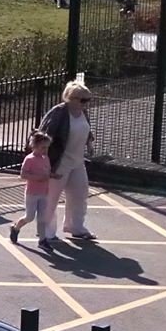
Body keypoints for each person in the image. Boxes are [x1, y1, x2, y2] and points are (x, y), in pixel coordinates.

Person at [38, 81, 97, 243]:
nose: (86, 104)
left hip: (77, 161)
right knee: (51, 197)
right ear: (70, 98)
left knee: (80, 195)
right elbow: (43, 136)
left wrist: (89, 144)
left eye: (88, 100)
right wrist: (45, 162)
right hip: (60, 161)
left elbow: (87, 129)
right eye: (82, 100)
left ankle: (75, 227)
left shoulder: (83, 112)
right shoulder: (59, 113)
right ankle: (46, 230)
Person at [9, 131, 55, 250]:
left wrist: (52, 175)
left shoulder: (46, 158)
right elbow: (23, 175)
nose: (45, 150)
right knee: (29, 217)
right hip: (32, 193)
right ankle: (16, 228)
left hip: (44, 192)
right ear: (34, 146)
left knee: (42, 217)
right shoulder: (30, 159)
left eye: (47, 148)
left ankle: (42, 240)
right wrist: (38, 178)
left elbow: (47, 172)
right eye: (42, 148)